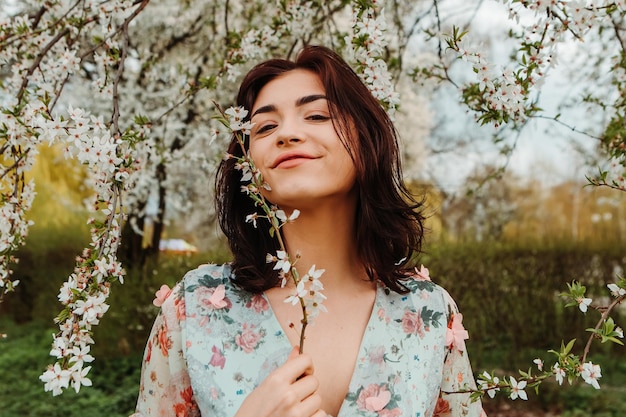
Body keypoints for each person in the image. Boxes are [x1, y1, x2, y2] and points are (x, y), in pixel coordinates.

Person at [131, 45, 486, 417]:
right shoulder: (194, 309)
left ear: (367, 143)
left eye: (316, 115)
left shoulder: (427, 311)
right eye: (265, 127)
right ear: (248, 167)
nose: (286, 133)